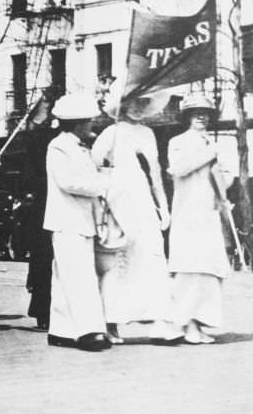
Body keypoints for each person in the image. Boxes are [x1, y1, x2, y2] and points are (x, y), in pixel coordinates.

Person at [90, 97, 179, 344]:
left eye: (144, 103)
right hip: (118, 198)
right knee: (120, 260)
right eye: (134, 103)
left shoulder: (148, 133)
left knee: (152, 254)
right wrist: (105, 194)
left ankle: (160, 321)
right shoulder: (111, 132)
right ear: (123, 106)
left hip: (142, 196)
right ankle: (111, 323)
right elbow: (94, 164)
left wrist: (163, 205)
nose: (139, 108)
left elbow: (155, 171)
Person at [43, 93, 112, 352]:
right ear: (77, 123)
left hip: (80, 220)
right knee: (79, 277)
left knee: (66, 278)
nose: (92, 125)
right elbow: (68, 182)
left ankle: (61, 329)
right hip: (67, 219)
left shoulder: (79, 147)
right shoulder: (59, 146)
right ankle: (88, 331)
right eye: (89, 121)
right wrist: (101, 186)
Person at [166, 92, 232, 345]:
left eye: (206, 113)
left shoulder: (210, 144)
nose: (202, 117)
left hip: (208, 213)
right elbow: (179, 169)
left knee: (209, 270)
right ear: (187, 117)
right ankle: (185, 324)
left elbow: (219, 181)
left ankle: (200, 322)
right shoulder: (178, 141)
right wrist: (209, 154)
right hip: (187, 213)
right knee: (190, 269)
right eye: (196, 113)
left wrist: (225, 177)